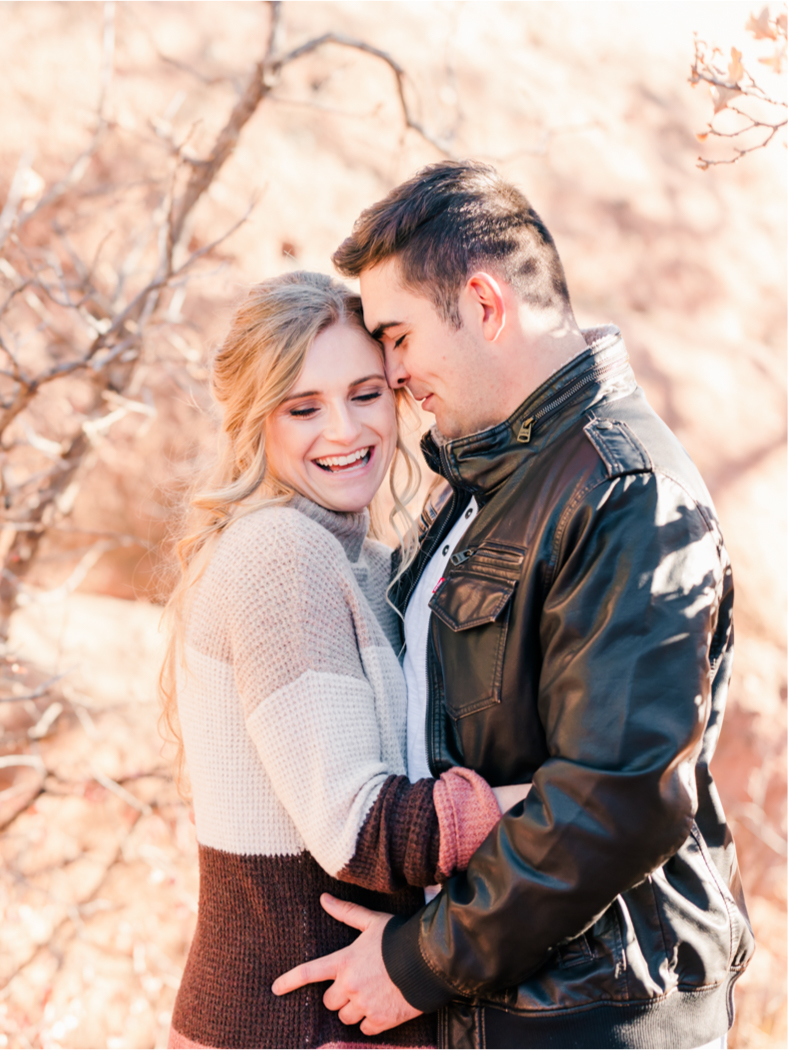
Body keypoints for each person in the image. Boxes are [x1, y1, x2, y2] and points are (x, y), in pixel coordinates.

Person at [272, 161, 754, 1049]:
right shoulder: (485, 474)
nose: (393, 370)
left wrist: (419, 963)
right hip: (502, 999)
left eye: (400, 335)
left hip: (595, 1015)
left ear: (486, 305)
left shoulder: (625, 491)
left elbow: (618, 796)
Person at [161, 271, 526, 1049]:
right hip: (291, 1024)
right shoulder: (282, 554)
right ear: (255, 423)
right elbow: (357, 826)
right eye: (303, 408)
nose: (345, 430)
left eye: (365, 394)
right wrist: (559, 805)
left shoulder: (359, 559)